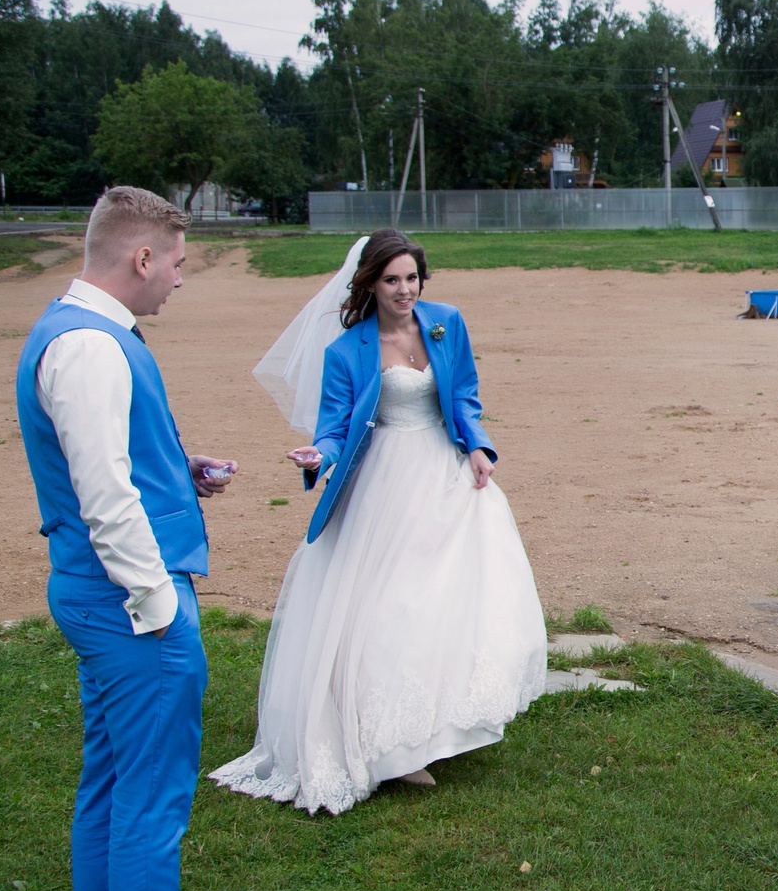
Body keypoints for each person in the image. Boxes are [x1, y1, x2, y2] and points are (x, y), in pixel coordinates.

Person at [13, 186, 272, 891]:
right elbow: (104, 496)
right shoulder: (90, 347)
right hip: (128, 601)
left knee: (114, 776)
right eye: (181, 264)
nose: (181, 282)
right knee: (151, 793)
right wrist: (159, 606)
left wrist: (178, 467)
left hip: (97, 594)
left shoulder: (77, 333)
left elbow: (116, 458)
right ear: (142, 257)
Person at [210, 228, 550, 815]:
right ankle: (385, 742)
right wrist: (320, 456)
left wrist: (476, 446)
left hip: (444, 477)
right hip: (384, 485)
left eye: (412, 278)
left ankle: (433, 724)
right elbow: (335, 426)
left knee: (445, 600)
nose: (404, 290)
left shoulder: (447, 322)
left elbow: (465, 394)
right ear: (370, 283)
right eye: (391, 280)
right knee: (390, 603)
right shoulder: (347, 350)